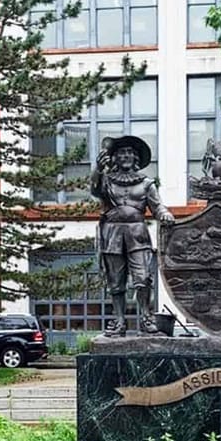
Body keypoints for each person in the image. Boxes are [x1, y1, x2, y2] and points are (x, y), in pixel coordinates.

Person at [92, 135, 174, 336]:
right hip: (112, 235)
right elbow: (95, 190)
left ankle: (146, 318)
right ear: (115, 158)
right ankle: (119, 321)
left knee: (143, 278)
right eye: (121, 152)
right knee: (115, 282)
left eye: (130, 152)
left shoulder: (146, 184)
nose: (126, 156)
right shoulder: (107, 181)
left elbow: (157, 206)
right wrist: (98, 169)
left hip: (137, 235)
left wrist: (165, 214)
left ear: (135, 157)